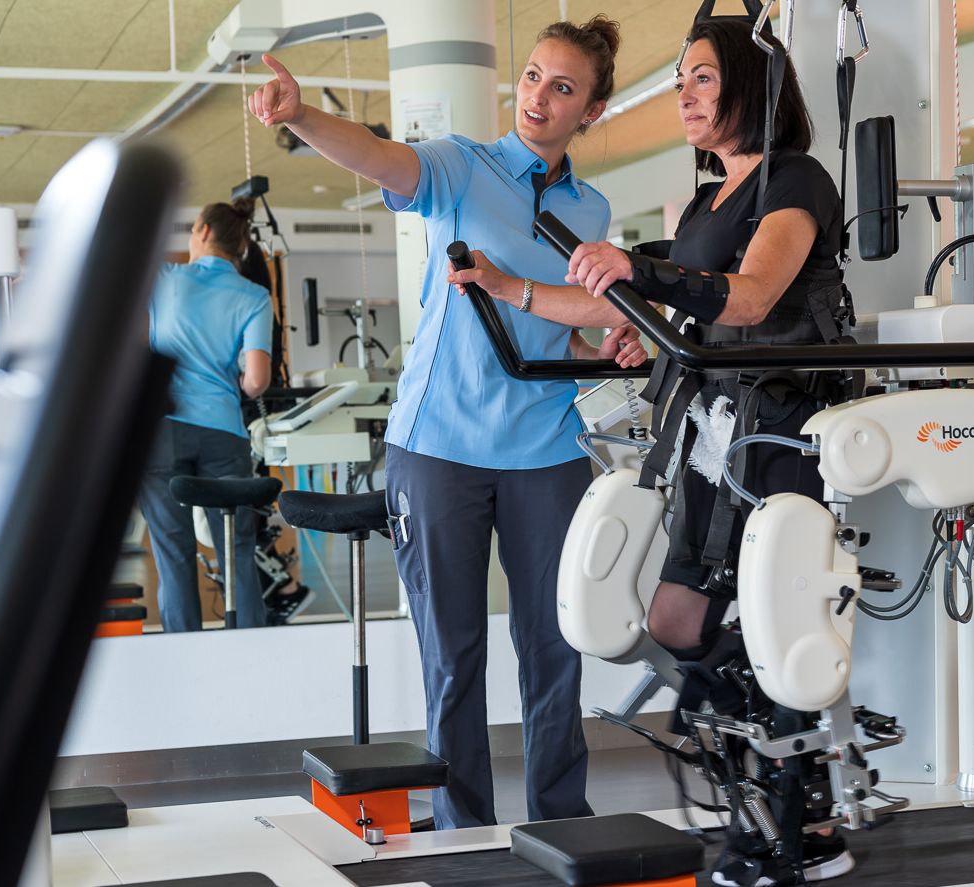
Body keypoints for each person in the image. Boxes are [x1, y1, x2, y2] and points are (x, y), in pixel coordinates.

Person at [457, 17, 856, 887]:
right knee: (676, 618)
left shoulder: (797, 181)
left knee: (774, 620)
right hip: (715, 430)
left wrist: (648, 279)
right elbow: (623, 307)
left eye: (702, 78)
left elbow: (748, 301)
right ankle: (768, 791)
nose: (684, 94)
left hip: (780, 428)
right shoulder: (713, 197)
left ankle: (799, 818)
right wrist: (509, 287)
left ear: (754, 87)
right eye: (680, 79)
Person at [249, 17, 647, 830]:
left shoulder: (592, 204)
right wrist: (300, 117)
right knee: (455, 656)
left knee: (554, 649)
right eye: (534, 76)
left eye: (563, 88)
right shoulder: (463, 167)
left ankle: (561, 820)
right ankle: (464, 830)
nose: (539, 97)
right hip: (440, 448)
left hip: (545, 449)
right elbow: (378, 155)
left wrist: (611, 345)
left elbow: (556, 332)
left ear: (591, 112)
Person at [138, 199, 273, 632]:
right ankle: (253, 650)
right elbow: (256, 381)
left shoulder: (165, 280)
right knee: (236, 548)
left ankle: (185, 650)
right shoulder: (255, 296)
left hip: (162, 432)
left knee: (172, 552)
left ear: (202, 232)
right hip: (222, 431)